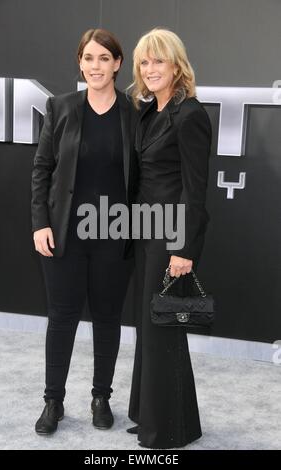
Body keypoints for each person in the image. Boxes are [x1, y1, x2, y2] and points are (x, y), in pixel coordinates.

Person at [31, 28, 138, 435]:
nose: (96, 65)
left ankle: (101, 397)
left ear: (117, 64)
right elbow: (42, 170)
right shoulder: (59, 107)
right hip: (64, 235)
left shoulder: (134, 114)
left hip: (115, 235)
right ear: (80, 62)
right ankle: (53, 402)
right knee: (61, 318)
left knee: (108, 319)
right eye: (89, 58)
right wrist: (40, 222)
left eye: (104, 58)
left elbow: (143, 178)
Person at [127, 28, 212, 448]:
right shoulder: (148, 112)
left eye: (158, 60)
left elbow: (196, 191)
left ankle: (167, 430)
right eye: (144, 62)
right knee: (149, 326)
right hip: (143, 232)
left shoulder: (190, 114)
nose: (150, 68)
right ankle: (149, 415)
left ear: (177, 65)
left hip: (168, 236)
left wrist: (184, 249)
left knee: (162, 327)